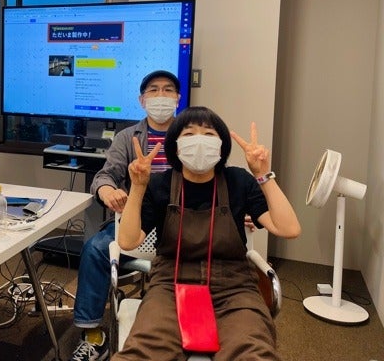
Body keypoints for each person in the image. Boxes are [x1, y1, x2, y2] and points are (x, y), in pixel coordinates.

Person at [113, 106, 301, 361]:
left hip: (235, 288)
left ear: (221, 146)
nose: (199, 141)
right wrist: (138, 187)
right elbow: (127, 241)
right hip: (169, 285)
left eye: (209, 134)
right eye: (189, 134)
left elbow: (289, 229)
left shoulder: (238, 181)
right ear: (176, 146)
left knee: (252, 352)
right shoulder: (160, 184)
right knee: (145, 350)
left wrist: (263, 175)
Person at [69, 70, 181, 361]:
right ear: (142, 100)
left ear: (178, 98)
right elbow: (105, 175)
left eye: (168, 90)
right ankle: (93, 335)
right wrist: (107, 191)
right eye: (153, 90)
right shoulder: (127, 137)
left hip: (182, 223)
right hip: (137, 221)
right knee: (96, 249)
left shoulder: (189, 135)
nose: (161, 96)